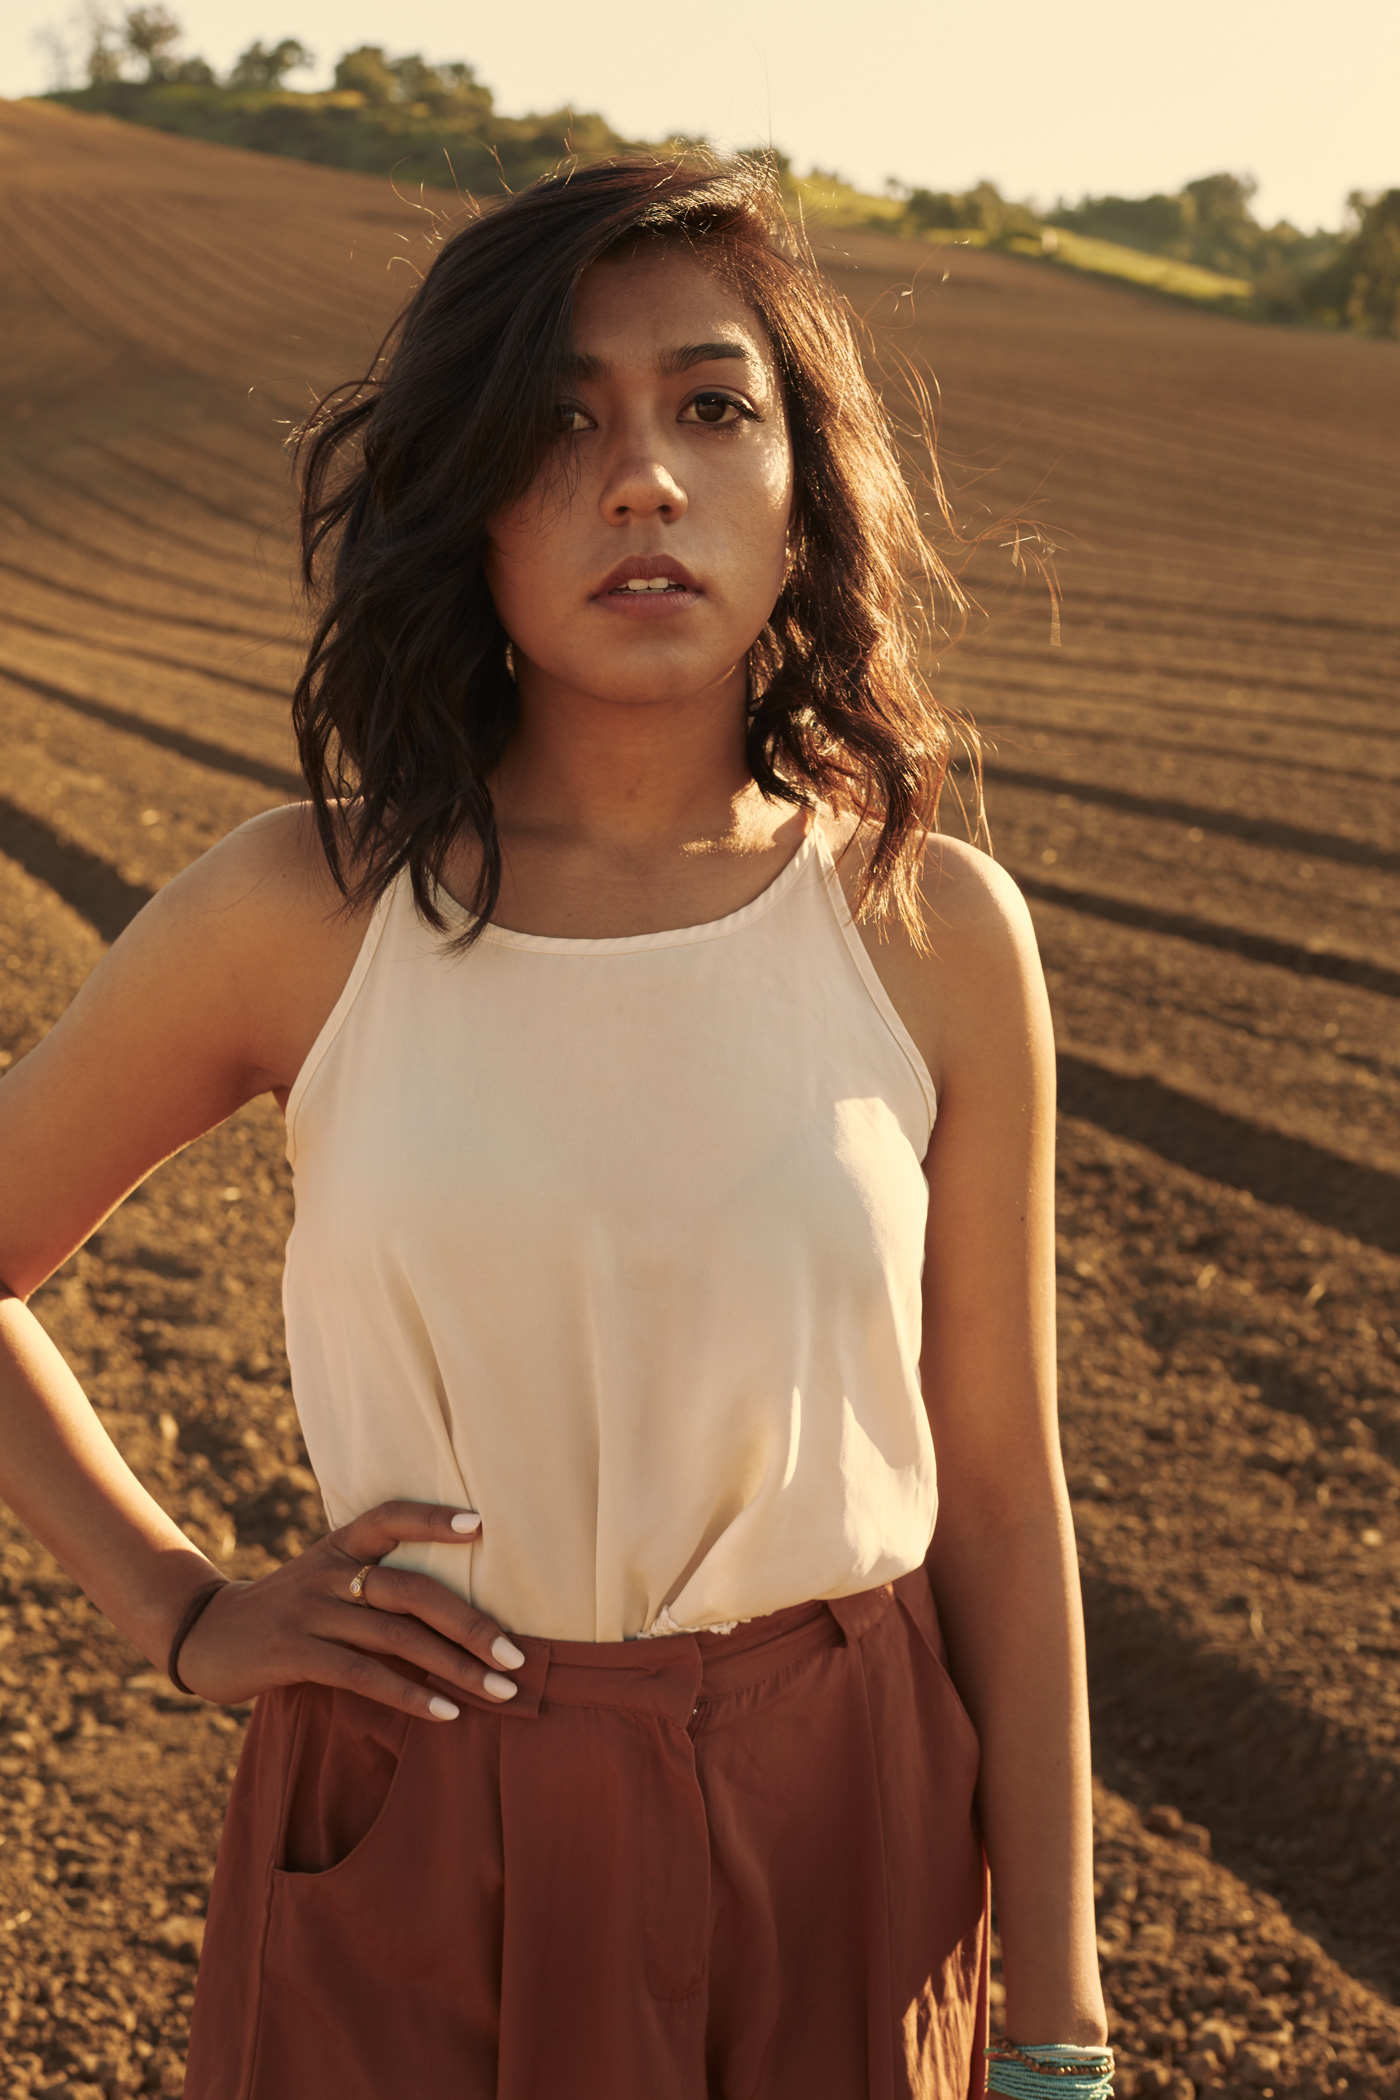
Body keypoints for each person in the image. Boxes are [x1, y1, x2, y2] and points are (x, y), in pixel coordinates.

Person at [0, 156, 1110, 2099]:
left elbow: (1004, 1502)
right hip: (418, 1816)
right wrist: (177, 1611)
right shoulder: (304, 910)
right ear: (468, 504)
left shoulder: (929, 928)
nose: (643, 479)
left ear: (799, 491)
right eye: (557, 422)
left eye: (708, 406)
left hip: (842, 1826)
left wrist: (1058, 2023)